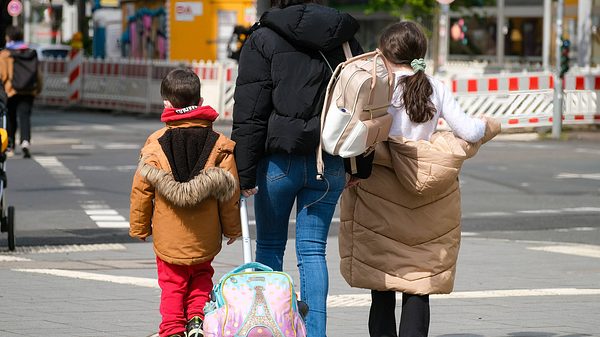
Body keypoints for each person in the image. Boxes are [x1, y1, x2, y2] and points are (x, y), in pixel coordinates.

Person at [338, 21, 501, 337]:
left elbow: (354, 135)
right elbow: (468, 131)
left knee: (381, 285)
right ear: (419, 53)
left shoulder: (377, 87)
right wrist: (488, 125)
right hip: (428, 200)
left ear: (384, 54)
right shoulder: (436, 87)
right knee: (419, 285)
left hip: (379, 195)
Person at [230, 1, 362, 336]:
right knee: (313, 251)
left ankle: (270, 329)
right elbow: (364, 106)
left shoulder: (263, 39)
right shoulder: (344, 38)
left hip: (278, 162)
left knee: (270, 247)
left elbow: (250, 113)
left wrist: (243, 173)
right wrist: (358, 165)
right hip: (329, 159)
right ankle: (316, 332)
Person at [129, 68, 241, 337]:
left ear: (166, 103)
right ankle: (196, 320)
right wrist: (233, 229)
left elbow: (141, 190)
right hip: (205, 235)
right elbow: (230, 192)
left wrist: (140, 228)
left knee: (172, 284)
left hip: (169, 237)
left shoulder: (155, 143)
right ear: (201, 101)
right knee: (202, 277)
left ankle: (172, 329)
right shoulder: (219, 144)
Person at [0, 26, 42, 158]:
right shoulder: (30, 52)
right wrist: (38, 88)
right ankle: (25, 141)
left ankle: (11, 145)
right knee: (25, 116)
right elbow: (38, 74)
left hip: (12, 90)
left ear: (8, 37)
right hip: (29, 90)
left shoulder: (5, 54)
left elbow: (3, 74)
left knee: (11, 117)